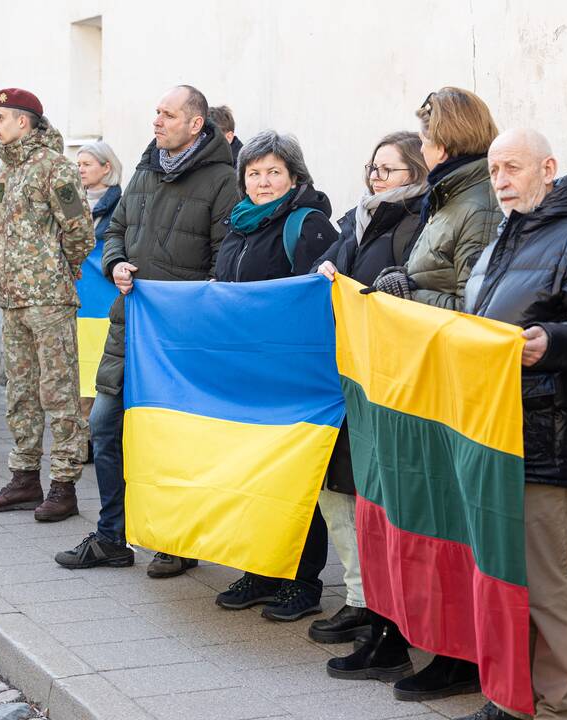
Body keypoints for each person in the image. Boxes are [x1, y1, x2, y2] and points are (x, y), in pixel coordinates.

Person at [328, 87, 502, 702]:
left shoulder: (475, 205)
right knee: (413, 518)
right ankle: (419, 636)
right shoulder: (448, 199)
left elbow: (481, 305)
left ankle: (461, 655)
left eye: (424, 139)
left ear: (445, 142)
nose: (421, 148)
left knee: (444, 523)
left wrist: (408, 297)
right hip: (419, 381)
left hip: (446, 387)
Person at [451, 128, 567, 720]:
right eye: (493, 171)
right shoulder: (499, 240)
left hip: (547, 431)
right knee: (500, 575)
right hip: (491, 431)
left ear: (548, 167)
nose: (501, 181)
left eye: (512, 167)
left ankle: (559, 705)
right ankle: (512, 697)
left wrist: (554, 341)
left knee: (547, 582)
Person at [54, 84, 238, 576]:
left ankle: (178, 540)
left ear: (195, 123)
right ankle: (112, 536)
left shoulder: (223, 180)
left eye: (168, 114)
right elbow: (115, 229)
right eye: (156, 111)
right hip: (129, 324)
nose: (156, 120)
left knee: (172, 440)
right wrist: (115, 263)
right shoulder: (144, 169)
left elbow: (226, 260)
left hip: (180, 336)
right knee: (104, 427)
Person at [209, 130, 338, 620]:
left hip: (290, 376)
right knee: (251, 474)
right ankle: (261, 569)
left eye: (273, 173)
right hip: (242, 373)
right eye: (254, 173)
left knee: (294, 477)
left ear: (294, 177)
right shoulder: (239, 224)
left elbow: (319, 304)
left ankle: (302, 582)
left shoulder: (310, 225)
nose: (262, 182)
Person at [311, 130, 428, 644]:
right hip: (344, 374)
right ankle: (361, 598)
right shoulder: (358, 219)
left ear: (417, 174)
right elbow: (334, 264)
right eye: (372, 168)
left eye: (388, 170)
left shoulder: (414, 222)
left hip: (385, 380)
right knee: (339, 490)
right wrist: (328, 268)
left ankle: (385, 607)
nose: (375, 178)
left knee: (374, 494)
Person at [0, 88, 95, 522]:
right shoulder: (0, 174)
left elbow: (80, 230)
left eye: (1, 117)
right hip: (13, 300)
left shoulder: (55, 167)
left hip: (49, 298)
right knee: (20, 393)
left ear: (23, 121)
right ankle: (25, 478)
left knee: (58, 393)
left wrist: (61, 268)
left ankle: (64, 484)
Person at [74, 140, 123, 457]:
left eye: (87, 164)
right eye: (78, 165)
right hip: (78, 297)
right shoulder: (72, 202)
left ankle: (97, 434)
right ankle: (82, 437)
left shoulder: (121, 202)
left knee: (99, 369)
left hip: (104, 299)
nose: (80, 170)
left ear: (107, 167)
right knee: (79, 371)